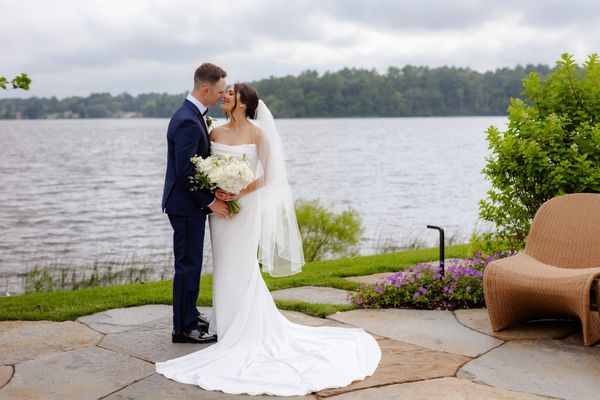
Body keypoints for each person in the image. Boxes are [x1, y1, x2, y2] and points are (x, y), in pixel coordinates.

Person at [156, 83, 381, 396]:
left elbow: (271, 174)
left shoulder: (258, 134)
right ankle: (226, 323)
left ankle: (243, 326)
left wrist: (240, 190)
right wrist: (216, 191)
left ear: (245, 103)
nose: (225, 96)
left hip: (245, 208)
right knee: (223, 264)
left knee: (243, 263)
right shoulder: (215, 133)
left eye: (231, 94)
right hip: (220, 210)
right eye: (225, 92)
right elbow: (203, 168)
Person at [161, 63, 229, 344]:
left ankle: (189, 314)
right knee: (188, 265)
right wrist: (211, 201)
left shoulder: (193, 114)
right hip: (185, 205)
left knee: (191, 262)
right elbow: (185, 171)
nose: (222, 97)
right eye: (220, 92)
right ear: (205, 89)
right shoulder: (188, 120)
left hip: (187, 204)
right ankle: (183, 328)